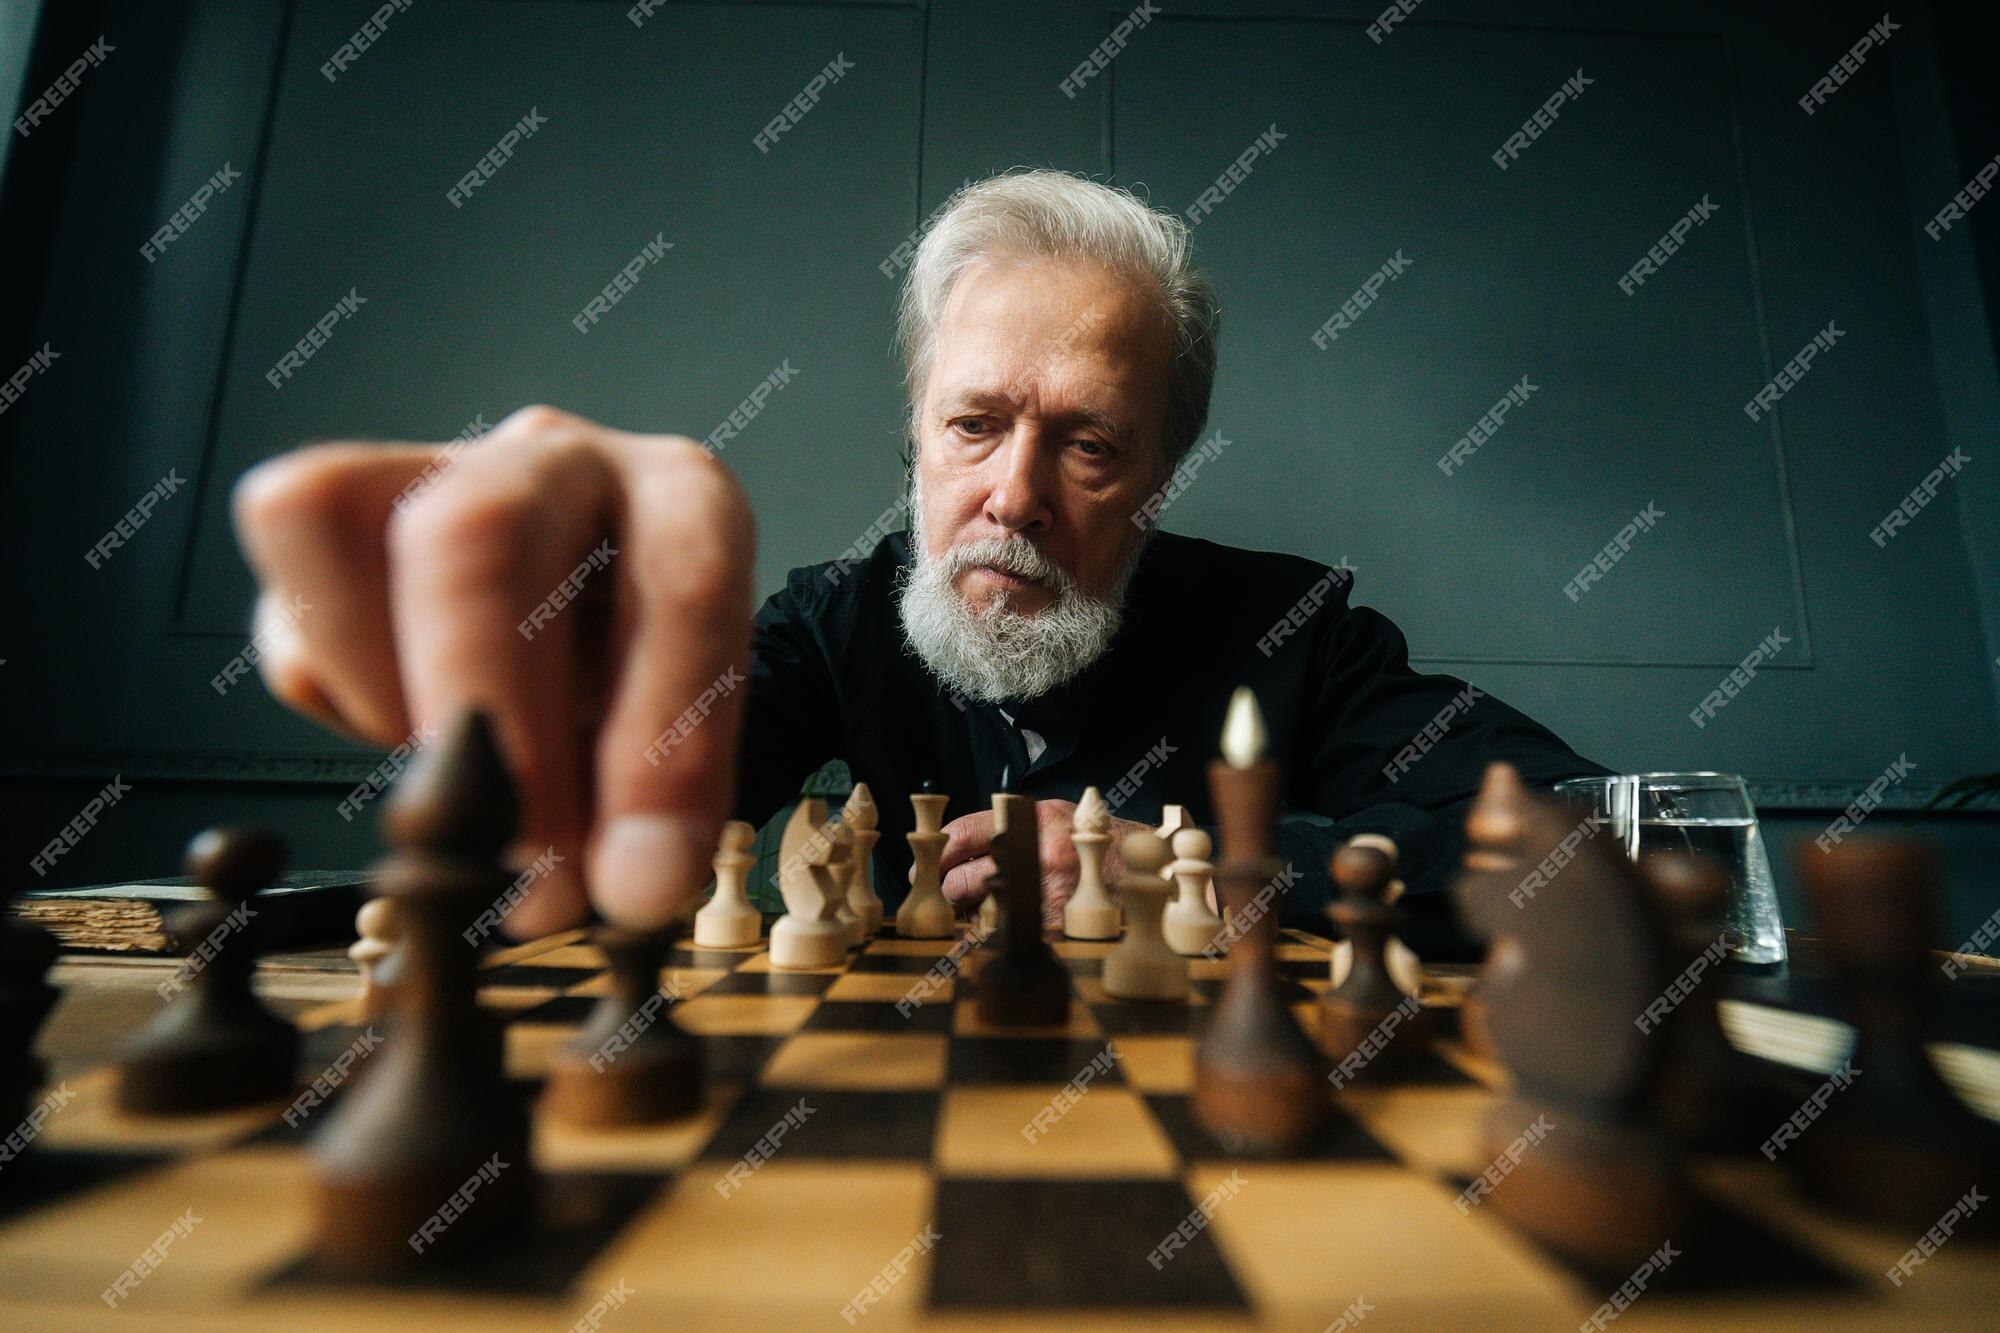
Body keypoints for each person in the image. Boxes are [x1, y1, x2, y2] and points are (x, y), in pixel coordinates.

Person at [233, 169, 1604, 954]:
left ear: (1162, 473)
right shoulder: (830, 626)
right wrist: (542, 665)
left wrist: (1203, 868)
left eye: (1087, 445)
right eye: (973, 425)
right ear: (915, 430)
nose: (1010, 495)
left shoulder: (1294, 631)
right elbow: (587, 854)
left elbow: (1587, 840)